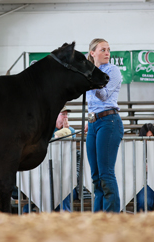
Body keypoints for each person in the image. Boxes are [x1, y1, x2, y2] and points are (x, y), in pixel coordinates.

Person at [85, 38, 124, 212]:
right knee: (95, 177)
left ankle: (112, 219)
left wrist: (91, 79)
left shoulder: (113, 70)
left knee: (106, 174)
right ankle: (98, 219)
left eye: (108, 49)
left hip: (109, 121)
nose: (107, 52)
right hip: (94, 123)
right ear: (93, 53)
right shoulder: (88, 71)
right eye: (103, 49)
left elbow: (104, 95)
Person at [23, 106, 76, 213]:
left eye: (67, 114)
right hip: (44, 173)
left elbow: (71, 138)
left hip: (64, 173)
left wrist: (65, 131)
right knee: (40, 191)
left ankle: (65, 217)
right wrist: (63, 132)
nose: (66, 117)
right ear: (55, 116)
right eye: (63, 114)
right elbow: (50, 139)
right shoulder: (46, 129)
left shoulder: (71, 130)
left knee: (65, 189)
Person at [136, 123, 154, 212]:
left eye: (151, 138)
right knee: (144, 201)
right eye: (146, 138)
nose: (149, 141)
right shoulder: (137, 150)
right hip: (145, 182)